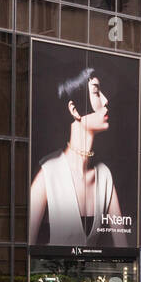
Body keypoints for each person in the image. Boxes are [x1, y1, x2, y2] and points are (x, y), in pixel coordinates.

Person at [28, 67, 123, 246]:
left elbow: (124, 248)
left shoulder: (104, 175)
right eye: (96, 92)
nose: (105, 100)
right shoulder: (48, 172)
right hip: (51, 272)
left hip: (95, 273)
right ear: (74, 109)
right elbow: (25, 247)